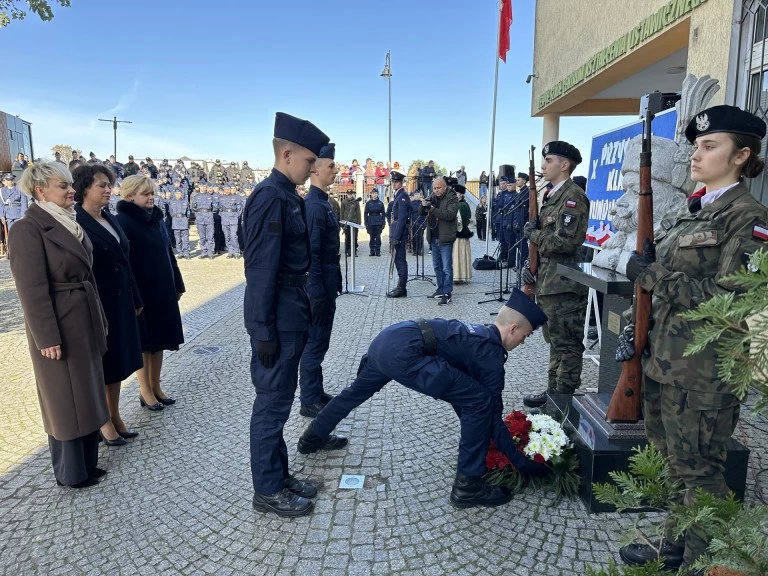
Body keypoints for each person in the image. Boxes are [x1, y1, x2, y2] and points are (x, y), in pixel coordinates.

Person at [617, 105, 768, 573]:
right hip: (664, 361)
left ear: (742, 155)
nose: (695, 156)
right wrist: (633, 326)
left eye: (709, 146)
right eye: (695, 147)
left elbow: (731, 300)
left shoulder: (749, 218)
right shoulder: (696, 210)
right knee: (677, 466)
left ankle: (705, 564)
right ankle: (676, 546)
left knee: (701, 473)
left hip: (702, 374)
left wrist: (653, 275)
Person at [297, 289, 549, 508]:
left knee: (353, 394)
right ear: (513, 328)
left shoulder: (478, 333)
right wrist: (521, 463)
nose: (523, 343)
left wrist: (480, 428)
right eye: (525, 336)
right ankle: (468, 487)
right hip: (408, 354)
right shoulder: (490, 355)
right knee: (480, 401)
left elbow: (462, 396)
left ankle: (311, 438)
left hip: (389, 339)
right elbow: (489, 413)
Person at [242, 112, 334, 518]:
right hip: (276, 315)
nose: (313, 168)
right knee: (272, 405)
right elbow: (260, 268)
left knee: (278, 402)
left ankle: (278, 476)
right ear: (287, 153)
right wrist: (261, 329)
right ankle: (267, 490)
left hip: (289, 310)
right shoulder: (269, 197)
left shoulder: (285, 196)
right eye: (309, 161)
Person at [9, 161, 109, 488]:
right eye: (62, 186)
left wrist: (100, 318)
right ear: (41, 190)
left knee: (88, 391)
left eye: (70, 185)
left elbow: (88, 275)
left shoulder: (70, 222)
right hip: (59, 325)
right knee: (65, 399)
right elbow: (31, 289)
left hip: (84, 317)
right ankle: (71, 472)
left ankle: (89, 463)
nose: (71, 191)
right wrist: (46, 336)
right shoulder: (28, 228)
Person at [72, 164, 143, 447]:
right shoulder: (76, 220)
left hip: (121, 300)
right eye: (101, 185)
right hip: (99, 302)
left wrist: (136, 297)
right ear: (84, 188)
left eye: (109, 184)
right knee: (102, 365)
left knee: (117, 363)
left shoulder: (108, 217)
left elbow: (126, 261)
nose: (107, 189)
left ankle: (114, 415)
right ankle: (103, 422)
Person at [522, 141, 589, 408]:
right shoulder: (551, 195)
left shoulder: (573, 197)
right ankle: (553, 392)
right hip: (549, 282)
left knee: (567, 344)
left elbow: (565, 243)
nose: (543, 166)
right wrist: (532, 269)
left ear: (564, 165)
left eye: (548, 160)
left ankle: (564, 398)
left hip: (565, 285)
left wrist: (534, 234)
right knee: (554, 341)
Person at [116, 175, 185, 411]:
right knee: (145, 344)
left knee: (160, 341)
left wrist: (177, 282)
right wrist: (135, 295)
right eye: (145, 194)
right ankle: (145, 391)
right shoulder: (123, 221)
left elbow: (168, 253)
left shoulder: (156, 219)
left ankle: (156, 386)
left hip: (162, 289)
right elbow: (126, 264)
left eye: (152, 194)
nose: (151, 198)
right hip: (143, 293)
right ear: (130, 196)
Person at [299, 142, 342, 419]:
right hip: (318, 286)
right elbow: (311, 254)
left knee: (320, 341)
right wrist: (316, 293)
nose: (335, 171)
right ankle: (309, 399)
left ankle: (316, 391)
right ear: (315, 169)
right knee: (314, 342)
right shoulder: (313, 206)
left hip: (327, 281)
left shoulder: (323, 202)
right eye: (331, 166)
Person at [422, 177, 459, 304]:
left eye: (438, 188)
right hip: (433, 236)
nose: (436, 191)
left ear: (444, 187)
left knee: (447, 268)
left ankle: (447, 292)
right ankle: (440, 289)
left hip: (445, 238)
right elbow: (421, 212)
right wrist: (423, 205)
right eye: (434, 188)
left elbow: (449, 215)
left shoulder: (452, 197)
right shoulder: (432, 196)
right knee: (437, 266)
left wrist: (432, 209)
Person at [386, 168, 411, 298]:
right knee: (397, 260)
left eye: (396, 182)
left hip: (399, 233)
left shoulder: (403, 196)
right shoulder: (397, 195)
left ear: (401, 182)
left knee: (400, 260)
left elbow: (401, 219)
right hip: (395, 231)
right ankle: (400, 286)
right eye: (393, 182)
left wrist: (396, 236)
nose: (394, 184)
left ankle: (402, 288)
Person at [452, 184, 473, 284]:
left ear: (460, 195)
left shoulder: (461, 205)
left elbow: (461, 221)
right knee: (460, 255)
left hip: (459, 234)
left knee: (458, 255)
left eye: (456, 193)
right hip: (461, 233)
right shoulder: (463, 204)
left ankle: (458, 277)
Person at [191, 182, 216, 258]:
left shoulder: (210, 196)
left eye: (204, 186)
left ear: (206, 187)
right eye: (201, 186)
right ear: (199, 187)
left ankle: (210, 252)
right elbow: (193, 208)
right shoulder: (196, 196)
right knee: (202, 236)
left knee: (210, 236)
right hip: (200, 217)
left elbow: (214, 207)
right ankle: (204, 251)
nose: (203, 188)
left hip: (209, 217)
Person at [511, 172, 531, 269]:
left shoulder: (526, 192)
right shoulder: (520, 193)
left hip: (522, 223)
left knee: (523, 246)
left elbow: (524, 210)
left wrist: (520, 223)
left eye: (518, 180)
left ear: (524, 181)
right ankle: (520, 264)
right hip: (517, 222)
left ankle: (523, 264)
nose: (517, 181)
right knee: (519, 245)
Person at [219, 183, 242, 259]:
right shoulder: (221, 198)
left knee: (233, 235)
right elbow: (219, 209)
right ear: (224, 190)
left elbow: (239, 208)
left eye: (228, 189)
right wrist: (222, 215)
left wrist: (236, 216)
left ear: (230, 190)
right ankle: (230, 251)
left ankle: (236, 251)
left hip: (233, 219)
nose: (227, 191)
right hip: (224, 219)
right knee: (227, 236)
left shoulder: (236, 197)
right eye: (225, 189)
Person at [169, 188, 191, 258]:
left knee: (185, 239)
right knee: (178, 239)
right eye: (176, 194)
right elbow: (171, 212)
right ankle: (180, 252)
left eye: (179, 193)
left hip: (184, 221)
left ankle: (186, 252)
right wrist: (175, 217)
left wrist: (186, 219)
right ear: (174, 194)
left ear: (181, 194)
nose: (178, 195)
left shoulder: (185, 201)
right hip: (176, 222)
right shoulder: (171, 202)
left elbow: (188, 212)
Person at [364, 189, 385, 256]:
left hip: (378, 222)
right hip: (371, 222)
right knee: (372, 237)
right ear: (371, 194)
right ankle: (372, 251)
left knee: (378, 237)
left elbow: (383, 214)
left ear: (378, 194)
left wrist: (383, 222)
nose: (374, 195)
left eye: (376, 193)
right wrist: (366, 223)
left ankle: (378, 251)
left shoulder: (381, 203)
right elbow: (365, 214)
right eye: (373, 193)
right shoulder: (368, 203)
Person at [340, 189, 361, 257]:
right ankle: (348, 251)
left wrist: (359, 223)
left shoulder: (356, 202)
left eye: (351, 194)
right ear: (346, 194)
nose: (350, 195)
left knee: (354, 237)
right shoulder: (343, 202)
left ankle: (354, 251)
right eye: (348, 194)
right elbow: (341, 213)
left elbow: (358, 213)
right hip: (347, 223)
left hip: (354, 222)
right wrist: (342, 222)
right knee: (347, 237)